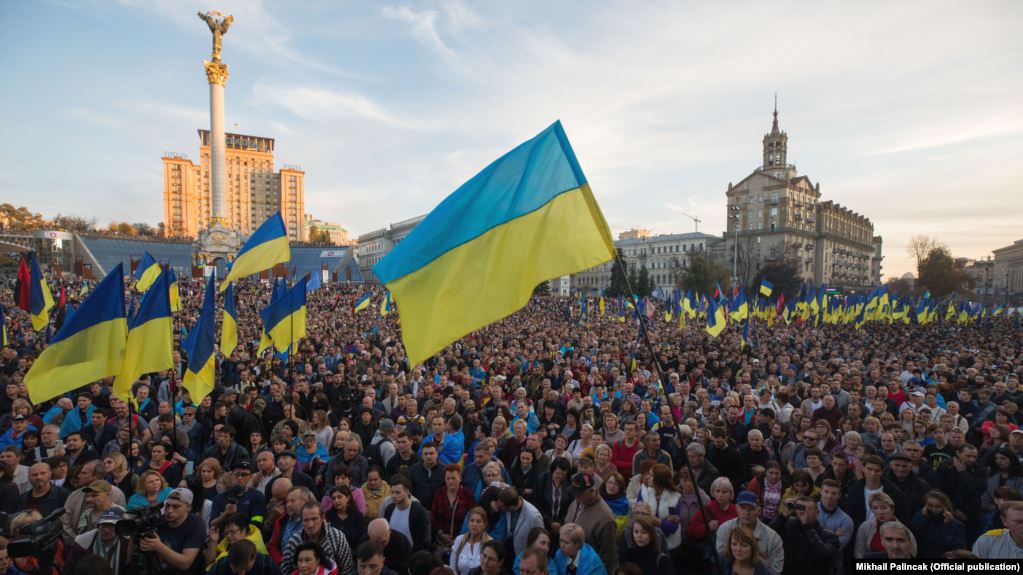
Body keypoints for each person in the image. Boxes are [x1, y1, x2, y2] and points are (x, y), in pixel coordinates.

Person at [140, 487, 207, 575]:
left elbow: (185, 563)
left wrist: (159, 547)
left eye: (176, 506)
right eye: (167, 506)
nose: (169, 511)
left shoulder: (196, 524)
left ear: (188, 507)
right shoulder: (159, 520)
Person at [715, 491, 784, 574]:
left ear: (759, 511)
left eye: (751, 509)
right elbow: (722, 561)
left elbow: (776, 571)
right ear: (736, 508)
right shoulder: (724, 529)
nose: (746, 512)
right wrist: (761, 560)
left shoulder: (774, 538)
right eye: (742, 508)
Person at [768, 495, 840, 575]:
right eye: (800, 508)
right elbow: (769, 533)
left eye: (809, 509)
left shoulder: (829, 534)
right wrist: (784, 515)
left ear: (817, 513)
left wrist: (807, 527)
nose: (804, 512)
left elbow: (824, 554)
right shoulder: (790, 525)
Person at [563, 473, 618, 574]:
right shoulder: (576, 502)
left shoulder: (606, 518)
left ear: (592, 491)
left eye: (579, 493)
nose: (576, 495)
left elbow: (608, 557)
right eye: (574, 492)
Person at [280, 503, 355, 575]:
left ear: (322, 518)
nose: (310, 525)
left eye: (314, 519)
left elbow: (348, 568)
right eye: (306, 520)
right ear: (301, 521)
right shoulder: (294, 541)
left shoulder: (337, 537)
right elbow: (285, 570)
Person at [62, 508, 131, 575]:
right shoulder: (83, 542)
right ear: (98, 526)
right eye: (103, 525)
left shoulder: (127, 543)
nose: (106, 530)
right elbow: (68, 570)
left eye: (111, 526)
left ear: (119, 527)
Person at [382, 475, 432, 553]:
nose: (394, 496)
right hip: (392, 555)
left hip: (412, 556)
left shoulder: (418, 511)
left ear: (407, 492)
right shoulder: (389, 509)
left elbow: (422, 541)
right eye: (392, 492)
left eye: (398, 492)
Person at [432, 464, 475, 555]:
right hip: (440, 542)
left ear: (460, 478)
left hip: (462, 541)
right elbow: (434, 516)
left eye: (453, 478)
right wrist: (440, 534)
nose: (450, 481)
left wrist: (459, 538)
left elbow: (472, 518)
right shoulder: (439, 493)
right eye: (448, 479)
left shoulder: (467, 495)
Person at [910, 490, 965, 559]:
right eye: (930, 506)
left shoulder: (956, 525)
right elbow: (917, 537)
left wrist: (948, 525)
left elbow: (956, 546)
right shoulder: (918, 517)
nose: (934, 510)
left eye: (938, 507)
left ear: (945, 507)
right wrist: (922, 517)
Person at [205, 511, 270, 567]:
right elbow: (208, 562)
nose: (229, 536)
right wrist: (213, 541)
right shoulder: (228, 541)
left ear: (246, 531)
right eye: (226, 533)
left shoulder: (252, 547)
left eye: (233, 531)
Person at [500, 487, 545, 556]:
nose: (501, 508)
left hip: (523, 555)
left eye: (503, 507)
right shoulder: (509, 502)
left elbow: (541, 539)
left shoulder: (534, 516)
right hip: (508, 549)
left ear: (511, 507)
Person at [853, 492, 897, 559]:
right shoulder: (865, 527)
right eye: (875, 508)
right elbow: (859, 552)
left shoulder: (902, 529)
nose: (880, 512)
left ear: (892, 509)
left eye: (884, 508)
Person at [450, 507, 493, 575]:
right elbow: (452, 569)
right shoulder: (459, 540)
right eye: (472, 520)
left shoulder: (490, 542)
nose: (474, 524)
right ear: (468, 523)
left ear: (484, 525)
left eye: (478, 521)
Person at [209, 540, 281, 575]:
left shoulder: (267, 565)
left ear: (255, 557)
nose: (241, 573)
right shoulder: (220, 566)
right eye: (236, 569)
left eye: (246, 568)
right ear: (229, 560)